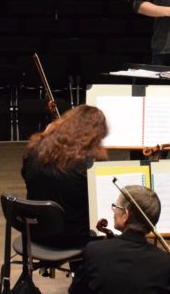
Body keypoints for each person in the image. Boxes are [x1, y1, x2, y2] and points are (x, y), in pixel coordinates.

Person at [22, 105, 108, 249]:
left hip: (36, 233)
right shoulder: (88, 166)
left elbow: (26, 176)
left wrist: (46, 136)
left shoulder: (34, 152)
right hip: (76, 239)